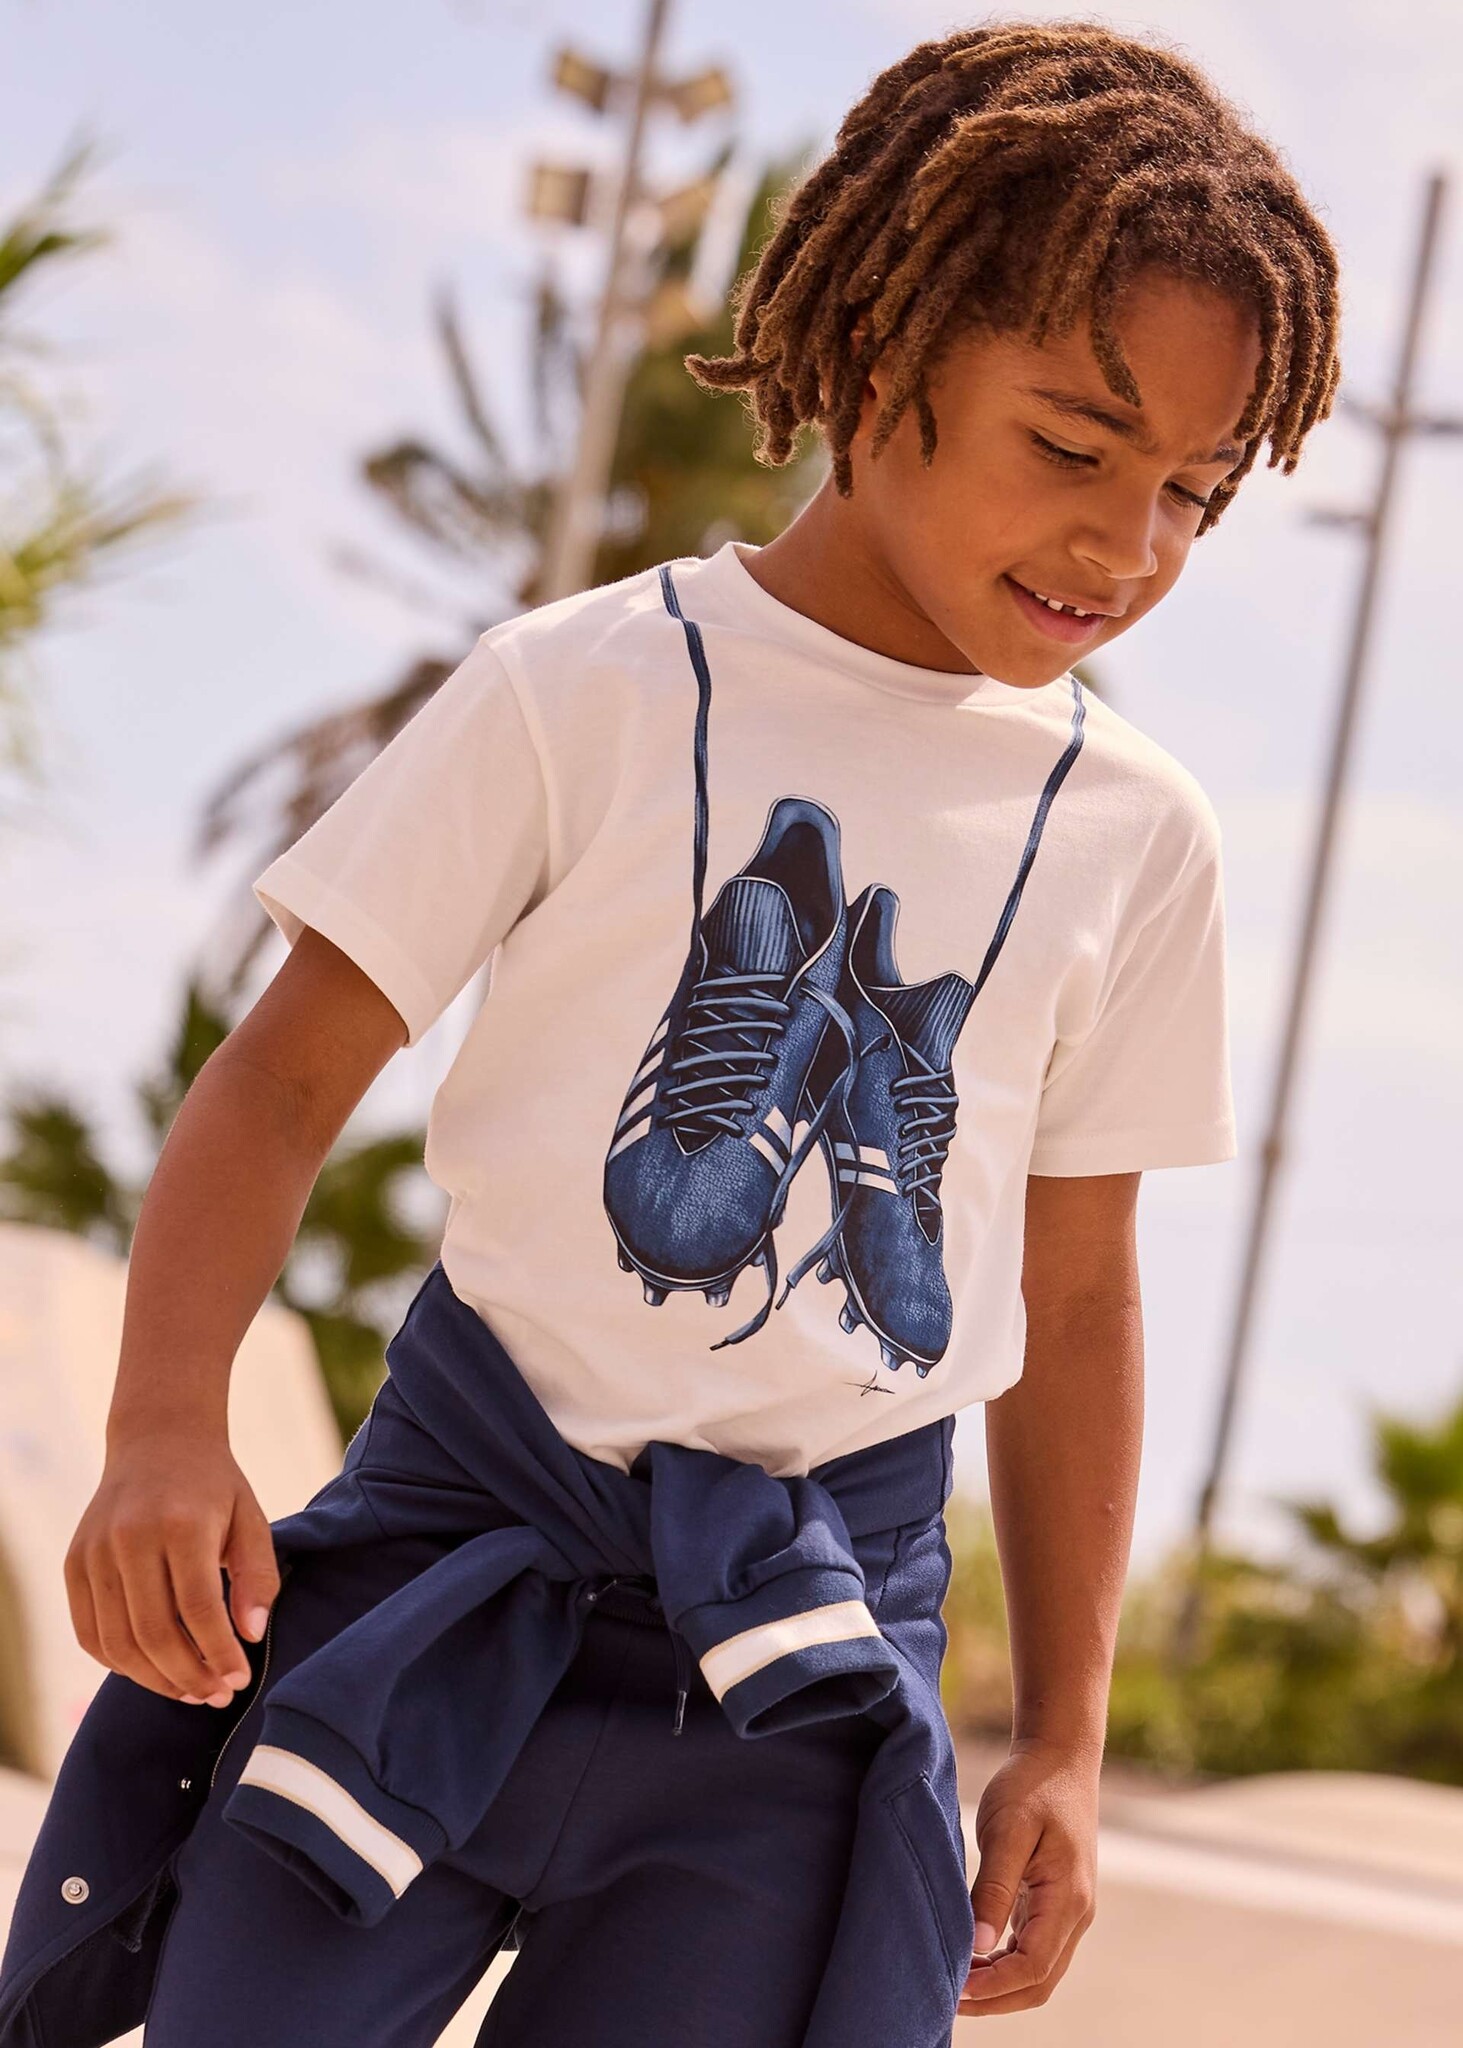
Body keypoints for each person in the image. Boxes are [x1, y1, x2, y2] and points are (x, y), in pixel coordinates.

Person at [0, 20, 1342, 2048]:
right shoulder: (589, 686)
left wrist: (1066, 1734)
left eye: (1195, 494)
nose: (1128, 545)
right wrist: (165, 1425)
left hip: (797, 1666)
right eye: (1075, 448)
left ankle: (858, 1070)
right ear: (882, 354)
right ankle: (769, 1033)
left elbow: (1075, 1295)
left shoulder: (1139, 837)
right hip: (457, 1551)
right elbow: (282, 1080)